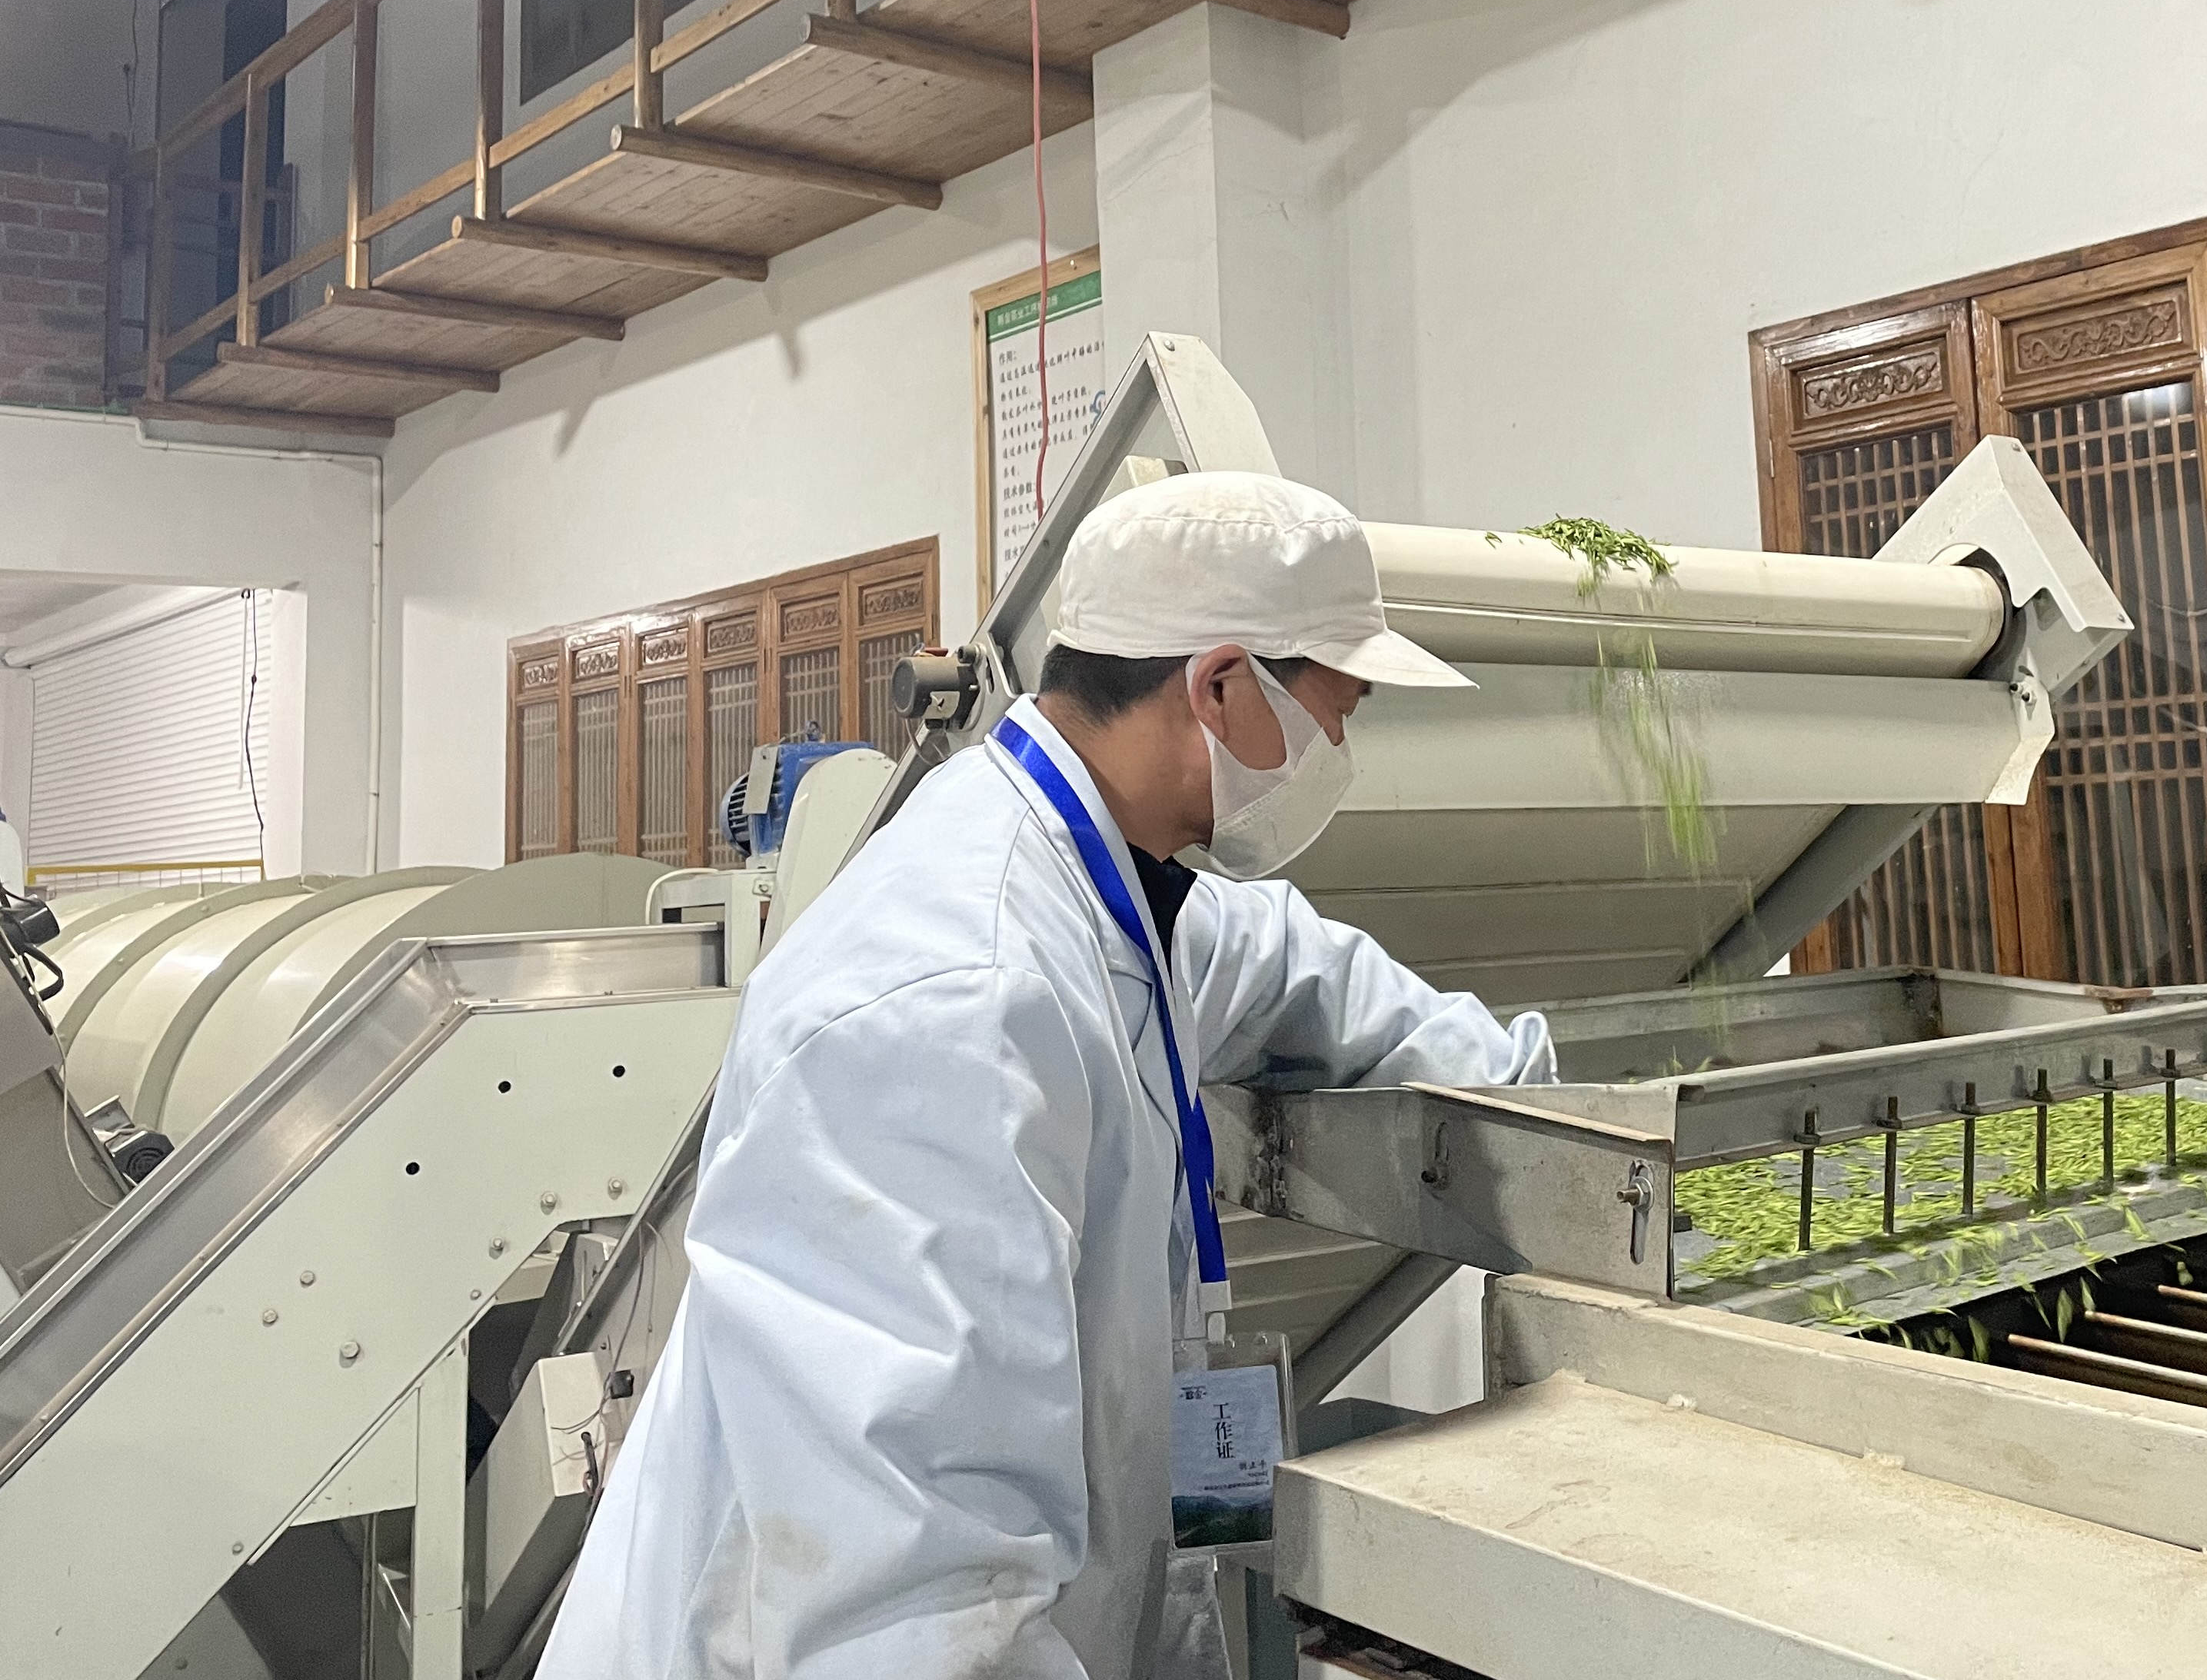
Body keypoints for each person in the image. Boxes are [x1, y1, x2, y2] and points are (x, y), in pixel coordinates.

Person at [541, 473, 1554, 1679]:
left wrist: (1543, 1097)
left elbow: (1292, 966)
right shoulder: (949, 1004)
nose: (1340, 754)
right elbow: (918, 1613)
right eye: (1339, 715)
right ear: (1222, 687)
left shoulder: (1110, 885)